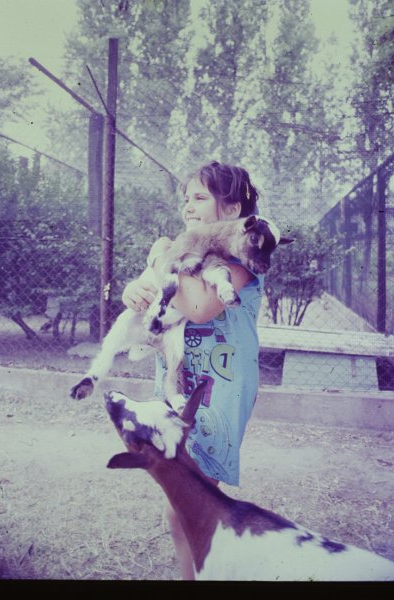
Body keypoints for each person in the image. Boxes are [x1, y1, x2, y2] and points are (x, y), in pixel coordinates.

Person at [122, 160, 264, 579]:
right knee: (180, 502)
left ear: (233, 210)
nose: (188, 206)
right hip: (180, 385)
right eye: (186, 198)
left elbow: (199, 307)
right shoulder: (185, 253)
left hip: (219, 392)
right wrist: (135, 289)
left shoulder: (241, 260)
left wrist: (161, 256)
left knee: (189, 503)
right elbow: (151, 294)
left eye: (200, 197)